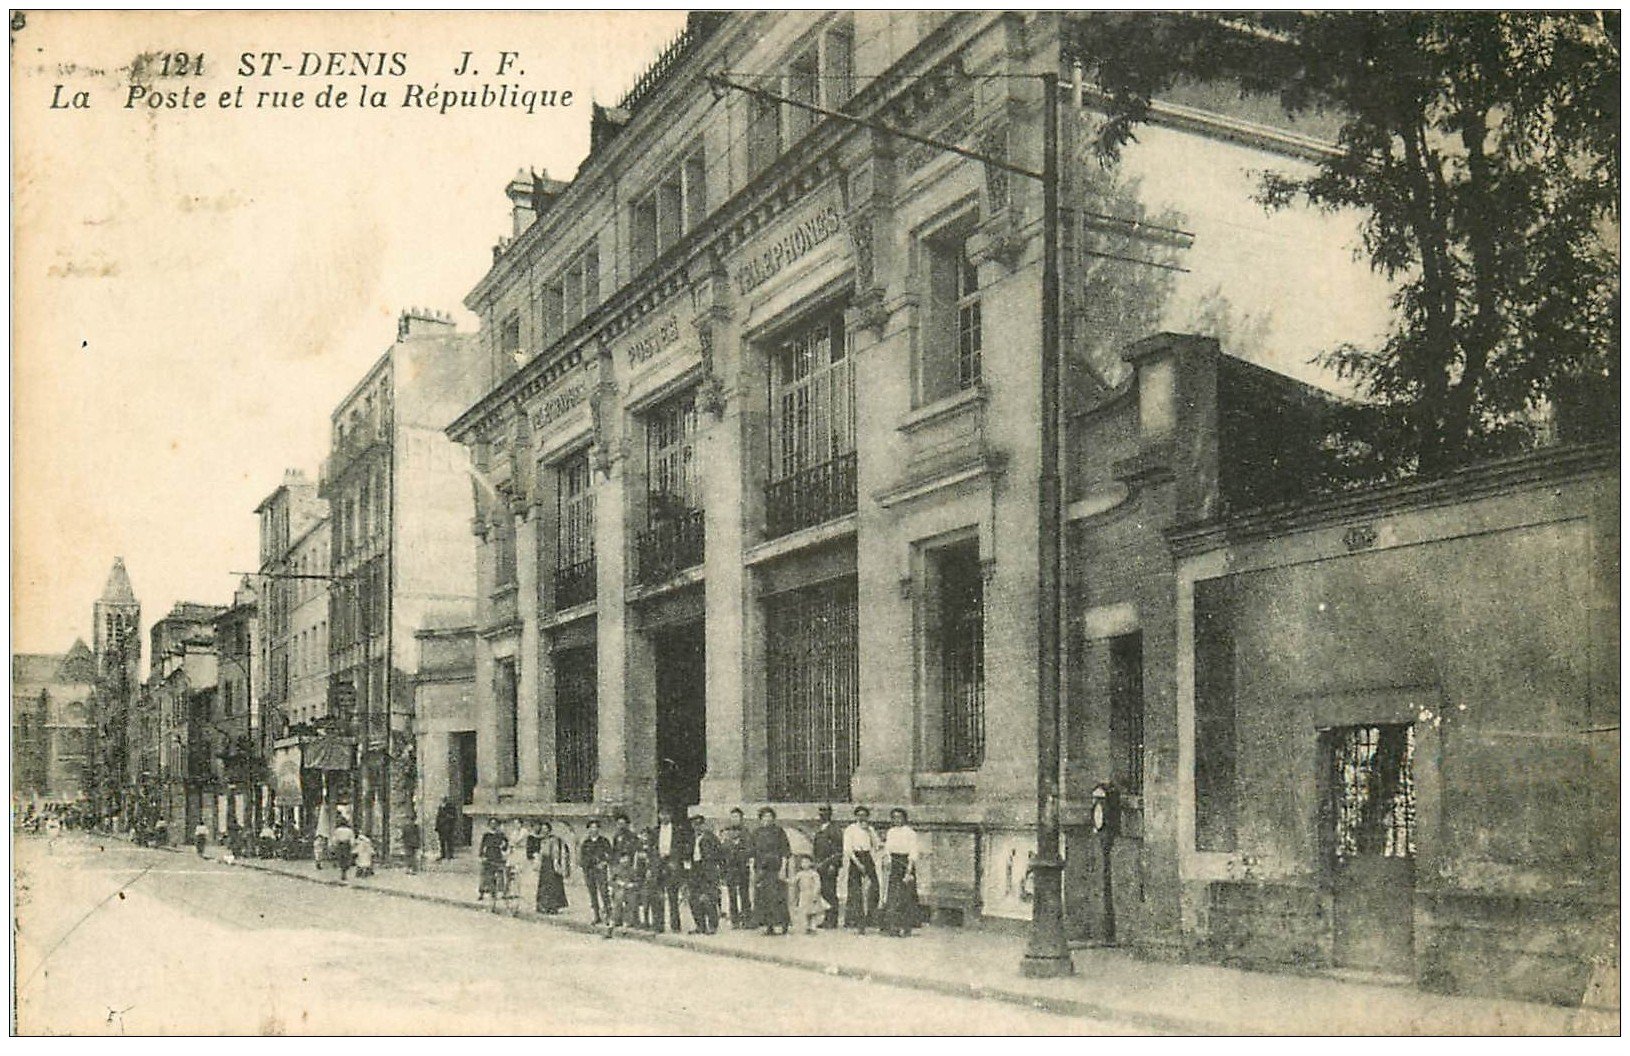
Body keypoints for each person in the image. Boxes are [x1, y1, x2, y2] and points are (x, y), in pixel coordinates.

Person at [649, 806, 691, 933]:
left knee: (673, 895)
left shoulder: (678, 831)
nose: (664, 817)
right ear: (659, 816)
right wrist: (655, 861)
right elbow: (651, 849)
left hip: (672, 864)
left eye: (666, 814)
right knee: (658, 896)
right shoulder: (655, 831)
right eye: (662, 814)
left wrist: (673, 857)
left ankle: (675, 925)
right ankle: (658, 925)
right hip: (659, 865)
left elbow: (682, 848)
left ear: (671, 815)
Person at [881, 808, 922, 937]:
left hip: (905, 864)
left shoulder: (910, 833)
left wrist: (909, 871)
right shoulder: (891, 832)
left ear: (904, 818)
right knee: (893, 896)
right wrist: (887, 861)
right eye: (894, 817)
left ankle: (907, 927)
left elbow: (913, 852)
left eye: (899, 817)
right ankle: (893, 926)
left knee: (906, 896)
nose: (896, 820)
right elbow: (887, 849)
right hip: (894, 863)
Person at [751, 806, 791, 936]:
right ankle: (769, 926)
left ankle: (783, 924)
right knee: (764, 898)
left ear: (773, 818)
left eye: (769, 816)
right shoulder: (756, 833)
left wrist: (783, 869)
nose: (767, 819)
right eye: (764, 817)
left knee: (778, 898)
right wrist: (754, 871)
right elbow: (752, 852)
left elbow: (785, 851)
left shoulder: (779, 832)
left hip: (775, 869)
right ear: (760, 819)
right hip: (762, 870)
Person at [843, 805, 881, 933]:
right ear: (856, 816)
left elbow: (877, 845)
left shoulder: (870, 829)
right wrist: (858, 863)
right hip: (855, 858)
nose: (861, 817)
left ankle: (872, 917)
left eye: (864, 815)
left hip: (867, 856)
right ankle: (856, 920)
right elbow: (847, 848)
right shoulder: (850, 829)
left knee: (874, 886)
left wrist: (869, 832)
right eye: (859, 815)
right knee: (855, 889)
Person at [687, 815, 724, 934]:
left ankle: (712, 925)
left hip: (708, 870)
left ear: (704, 825)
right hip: (694, 870)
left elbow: (719, 854)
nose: (697, 827)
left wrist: (717, 870)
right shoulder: (691, 838)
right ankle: (700, 925)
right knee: (694, 899)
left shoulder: (711, 838)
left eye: (699, 824)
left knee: (708, 898)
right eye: (694, 825)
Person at [812, 804, 843, 928]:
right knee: (824, 891)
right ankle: (827, 918)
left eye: (825, 811)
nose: (822, 814)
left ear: (830, 813)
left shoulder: (834, 829)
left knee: (830, 891)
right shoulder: (820, 829)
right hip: (820, 864)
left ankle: (832, 919)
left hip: (830, 865)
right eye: (820, 811)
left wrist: (834, 865)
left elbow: (839, 849)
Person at [720, 807, 752, 928]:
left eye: (737, 817)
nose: (734, 833)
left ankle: (746, 919)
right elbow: (723, 854)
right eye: (732, 816)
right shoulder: (726, 838)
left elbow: (749, 850)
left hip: (743, 869)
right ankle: (735, 920)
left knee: (744, 894)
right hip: (730, 870)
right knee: (732, 895)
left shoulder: (746, 834)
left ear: (741, 818)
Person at [579, 819, 612, 925]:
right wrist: (585, 866)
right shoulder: (586, 843)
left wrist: (604, 863)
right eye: (591, 827)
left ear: (599, 829)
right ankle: (596, 915)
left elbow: (610, 855)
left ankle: (608, 915)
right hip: (589, 870)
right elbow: (582, 857)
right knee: (592, 894)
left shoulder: (604, 841)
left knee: (604, 892)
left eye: (596, 827)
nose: (594, 830)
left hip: (600, 870)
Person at [535, 821, 571, 914]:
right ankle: (543, 905)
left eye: (546, 829)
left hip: (551, 863)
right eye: (542, 829)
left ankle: (553, 906)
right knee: (544, 885)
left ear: (549, 830)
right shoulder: (542, 840)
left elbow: (555, 852)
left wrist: (556, 863)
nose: (544, 831)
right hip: (544, 864)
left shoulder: (553, 840)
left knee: (553, 885)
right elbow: (541, 852)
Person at [790, 853, 828, 934]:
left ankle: (813, 927)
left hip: (811, 894)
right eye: (802, 862)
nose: (804, 864)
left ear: (811, 863)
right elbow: (794, 881)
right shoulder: (800, 874)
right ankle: (807, 927)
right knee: (806, 912)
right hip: (803, 894)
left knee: (813, 912)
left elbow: (818, 884)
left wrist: (815, 893)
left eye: (806, 862)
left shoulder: (813, 874)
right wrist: (786, 880)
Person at [477, 817, 508, 902]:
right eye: (491, 823)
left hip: (497, 855)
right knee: (485, 874)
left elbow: (506, 845)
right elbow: (482, 846)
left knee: (498, 873)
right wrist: (482, 855)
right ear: (489, 825)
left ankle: (497, 891)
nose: (493, 825)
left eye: (495, 823)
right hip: (488, 855)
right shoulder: (486, 835)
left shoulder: (501, 835)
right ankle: (481, 893)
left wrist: (504, 846)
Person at [331, 814, 356, 882]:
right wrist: (352, 846)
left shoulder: (337, 830)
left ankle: (342, 871)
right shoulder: (349, 831)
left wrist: (334, 845)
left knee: (340, 858)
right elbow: (352, 839)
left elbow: (334, 839)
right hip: (346, 845)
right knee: (346, 858)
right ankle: (344, 872)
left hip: (340, 845)